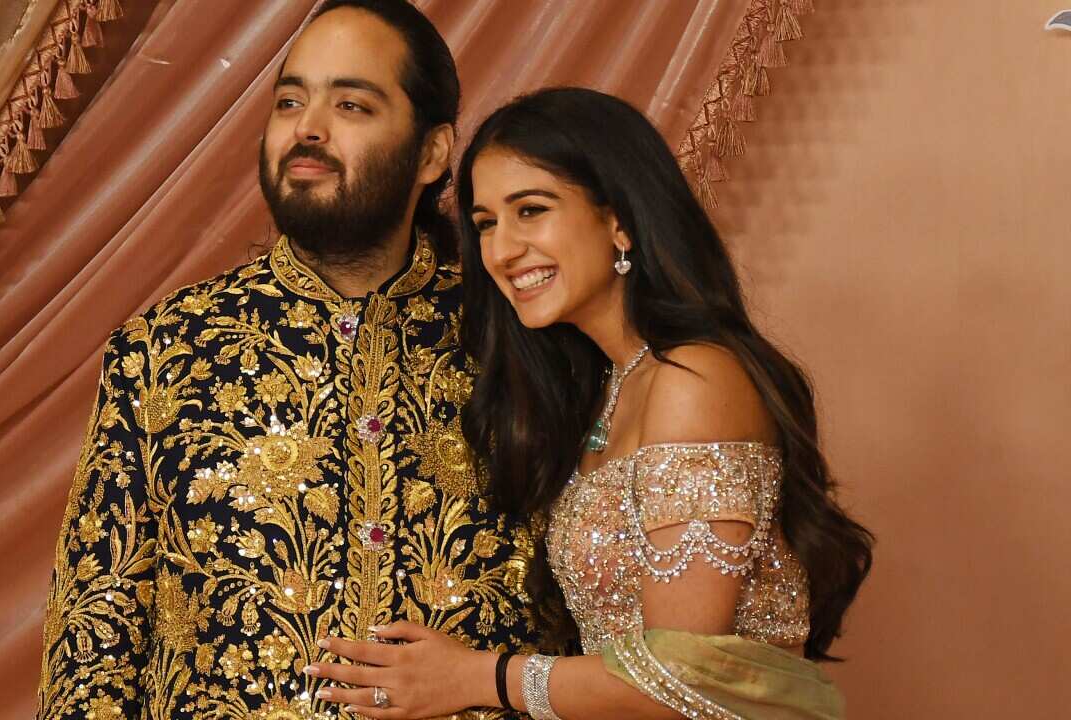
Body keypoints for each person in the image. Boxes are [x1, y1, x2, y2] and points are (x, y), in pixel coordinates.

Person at [36, 3, 549, 718]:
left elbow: (598, 610)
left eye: (351, 103)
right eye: (289, 101)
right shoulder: (166, 348)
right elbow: (94, 644)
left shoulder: (519, 338)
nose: (308, 126)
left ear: (432, 154)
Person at [306, 87, 874, 719]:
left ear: (619, 219)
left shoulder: (695, 378)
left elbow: (683, 674)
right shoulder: (614, 386)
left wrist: (479, 679)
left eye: (531, 210)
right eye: (486, 223)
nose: (501, 251)